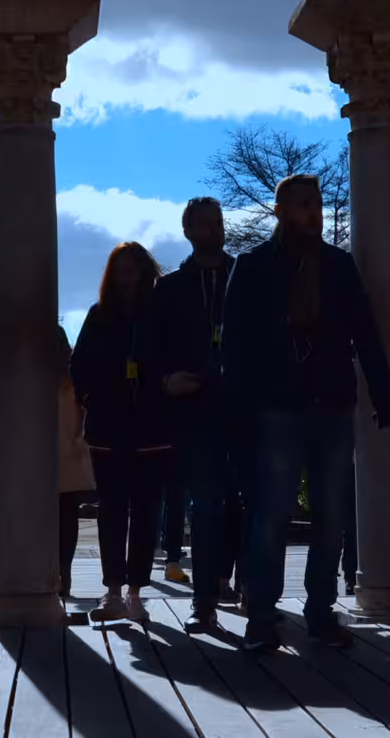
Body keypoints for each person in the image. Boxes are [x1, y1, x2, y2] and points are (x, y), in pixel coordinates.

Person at [223, 174, 390, 652]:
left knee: (331, 514)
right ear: (280, 209)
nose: (313, 212)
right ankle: (261, 614)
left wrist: (384, 393)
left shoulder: (339, 265)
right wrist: (238, 411)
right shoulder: (253, 265)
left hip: (333, 404)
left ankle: (319, 612)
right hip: (277, 406)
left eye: (317, 204)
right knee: (271, 513)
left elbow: (365, 329)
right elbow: (236, 346)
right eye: (302, 204)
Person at [71, 242, 172, 624]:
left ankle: (136, 591)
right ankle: (112, 589)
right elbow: (79, 364)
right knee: (112, 509)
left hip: (153, 425)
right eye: (120, 270)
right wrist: (94, 395)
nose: (127, 277)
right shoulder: (99, 316)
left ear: (145, 271)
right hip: (109, 425)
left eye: (133, 269)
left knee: (147, 510)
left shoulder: (161, 315)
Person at [154, 197, 243, 634]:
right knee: (206, 506)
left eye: (219, 222)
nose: (215, 229)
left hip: (247, 408)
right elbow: (149, 349)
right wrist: (166, 379)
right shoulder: (169, 288)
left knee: (253, 505)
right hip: (195, 412)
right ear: (188, 230)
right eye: (205, 223)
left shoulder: (246, 277)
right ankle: (204, 601)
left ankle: (253, 594)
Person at [54, 323, 96, 602]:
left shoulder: (72, 375)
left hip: (65, 453)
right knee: (62, 519)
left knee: (65, 519)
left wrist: (80, 438)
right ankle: (60, 575)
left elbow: (86, 408)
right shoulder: (43, 375)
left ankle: (63, 574)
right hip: (57, 453)